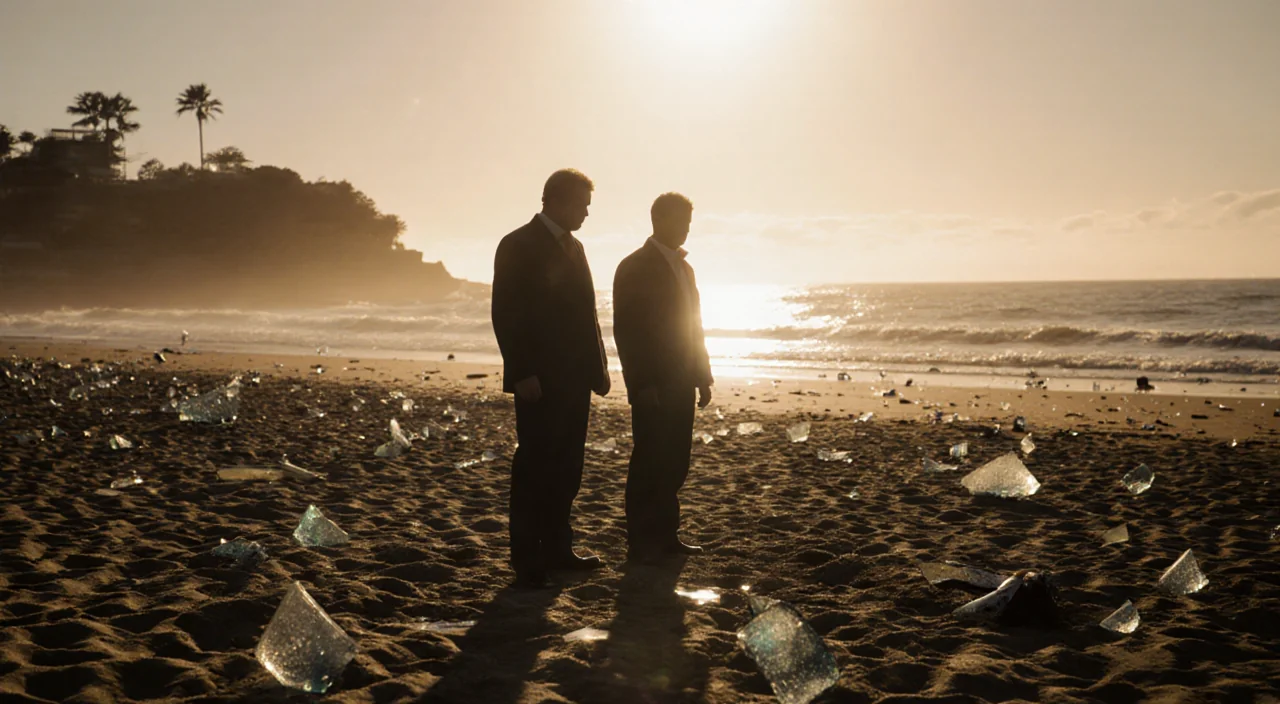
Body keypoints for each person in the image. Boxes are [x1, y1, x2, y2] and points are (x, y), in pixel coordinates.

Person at [491, 168, 611, 588]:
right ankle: (527, 559)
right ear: (554, 201)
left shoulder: (576, 247)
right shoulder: (518, 244)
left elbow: (587, 314)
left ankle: (559, 548)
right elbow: (506, 312)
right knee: (535, 467)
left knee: (568, 467)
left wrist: (600, 369)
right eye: (581, 205)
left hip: (576, 377)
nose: (586, 214)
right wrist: (521, 371)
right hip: (539, 379)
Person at [612, 192, 713, 563]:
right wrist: (640, 383)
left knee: (676, 460)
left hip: (684, 378)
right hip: (653, 381)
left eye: (689, 222)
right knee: (648, 461)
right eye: (682, 221)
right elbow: (628, 330)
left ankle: (667, 534)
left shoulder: (686, 269)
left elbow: (694, 326)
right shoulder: (634, 266)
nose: (687, 229)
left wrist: (704, 375)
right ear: (659, 220)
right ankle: (641, 541)